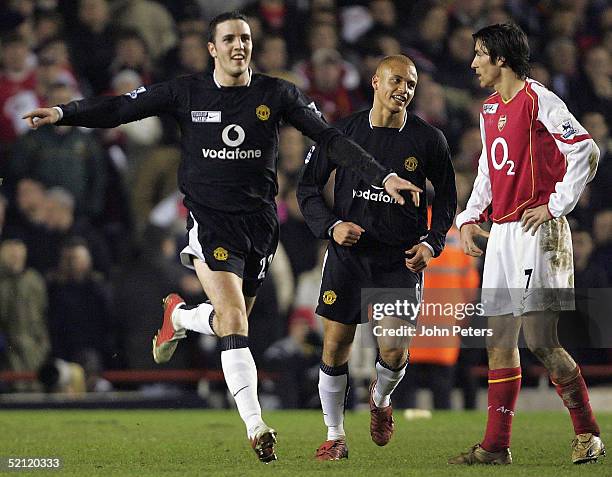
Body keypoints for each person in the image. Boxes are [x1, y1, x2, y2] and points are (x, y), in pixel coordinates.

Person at [22, 11, 419, 463]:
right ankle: (256, 426)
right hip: (211, 222)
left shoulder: (277, 93)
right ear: (212, 48)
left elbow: (329, 139)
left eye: (245, 38)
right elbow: (120, 107)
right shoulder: (185, 92)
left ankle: (182, 318)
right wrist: (62, 112)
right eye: (229, 38)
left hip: (261, 225)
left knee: (230, 320)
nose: (239, 45)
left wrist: (382, 176)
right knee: (234, 321)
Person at [450, 23, 605, 465]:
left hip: (539, 232)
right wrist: (468, 217)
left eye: (480, 53)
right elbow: (487, 168)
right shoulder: (489, 108)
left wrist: (556, 204)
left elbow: (586, 150)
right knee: (499, 341)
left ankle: (589, 433)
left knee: (540, 340)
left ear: (501, 58)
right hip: (502, 232)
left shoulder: (539, 99)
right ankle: (496, 446)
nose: (474, 62)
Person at [297, 55, 456, 460]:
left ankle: (381, 400)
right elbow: (307, 190)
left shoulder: (428, 140)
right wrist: (332, 226)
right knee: (334, 348)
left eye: (411, 85)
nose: (404, 90)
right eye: (397, 81)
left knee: (394, 349)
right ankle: (335, 436)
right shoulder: (342, 132)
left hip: (398, 259)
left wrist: (432, 243)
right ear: (375, 82)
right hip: (349, 255)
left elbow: (450, 201)